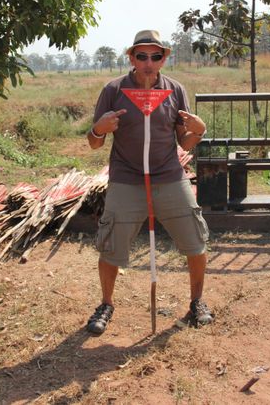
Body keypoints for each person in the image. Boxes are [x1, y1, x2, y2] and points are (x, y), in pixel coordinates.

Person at [86, 30, 213, 336]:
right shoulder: (113, 90)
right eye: (141, 56)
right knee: (111, 244)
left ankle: (197, 301)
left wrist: (199, 130)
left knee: (195, 241)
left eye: (155, 56)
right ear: (131, 58)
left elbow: (184, 142)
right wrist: (100, 129)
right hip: (127, 178)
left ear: (164, 58)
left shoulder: (175, 90)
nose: (148, 62)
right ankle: (106, 303)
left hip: (169, 175)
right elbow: (93, 143)